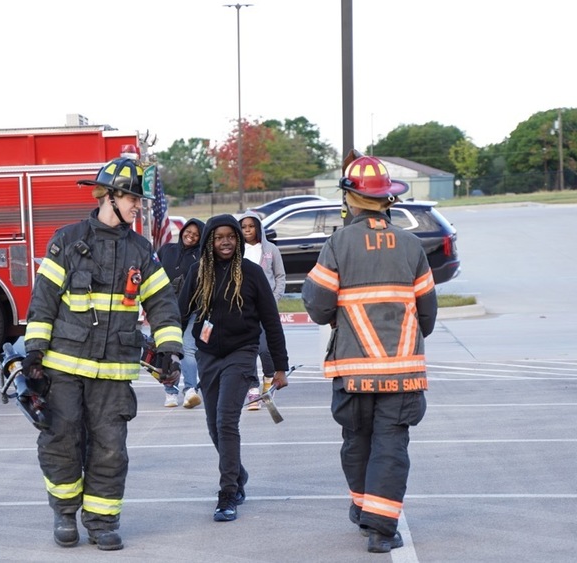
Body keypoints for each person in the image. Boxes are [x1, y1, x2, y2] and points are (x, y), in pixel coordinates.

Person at [23, 156, 183, 551]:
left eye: (139, 201)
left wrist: (171, 350)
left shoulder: (142, 252)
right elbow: (43, 303)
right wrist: (34, 354)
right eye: (131, 198)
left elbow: (163, 304)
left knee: (111, 449)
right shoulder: (68, 240)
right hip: (62, 369)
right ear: (108, 196)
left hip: (113, 373)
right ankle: (64, 514)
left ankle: (102, 523)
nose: (137, 206)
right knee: (61, 440)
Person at [301, 155, 437, 554]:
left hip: (353, 372)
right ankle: (380, 529)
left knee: (356, 441)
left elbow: (318, 307)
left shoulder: (337, 244)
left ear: (350, 199)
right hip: (403, 373)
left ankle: (365, 511)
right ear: (387, 199)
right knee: (391, 446)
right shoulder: (413, 246)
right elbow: (427, 314)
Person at [176, 214, 290, 522]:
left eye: (231, 236)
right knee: (214, 426)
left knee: (227, 421)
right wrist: (168, 349)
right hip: (208, 355)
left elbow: (271, 322)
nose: (225, 241)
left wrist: (279, 366)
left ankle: (227, 494)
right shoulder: (197, 271)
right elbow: (180, 312)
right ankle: (238, 473)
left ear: (238, 239)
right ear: (209, 241)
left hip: (241, 353)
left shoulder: (251, 273)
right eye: (218, 237)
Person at [236, 210, 286, 411]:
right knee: (249, 350)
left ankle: (268, 377)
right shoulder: (237, 251)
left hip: (266, 309)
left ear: (258, 227)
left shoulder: (270, 250)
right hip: (243, 310)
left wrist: (272, 300)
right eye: (244, 227)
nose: (248, 230)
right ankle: (253, 388)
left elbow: (280, 276)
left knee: (266, 350)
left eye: (251, 226)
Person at [155, 218, 205, 408]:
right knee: (167, 350)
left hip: (194, 311)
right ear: (182, 230)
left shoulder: (202, 256)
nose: (190, 236)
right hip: (166, 311)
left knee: (188, 349)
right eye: (188, 232)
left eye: (195, 234)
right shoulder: (167, 250)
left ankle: (190, 390)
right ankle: (170, 392)